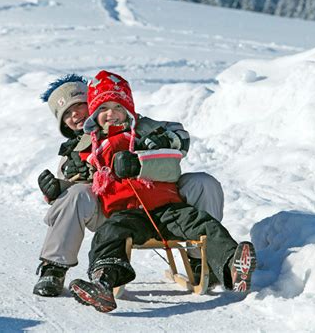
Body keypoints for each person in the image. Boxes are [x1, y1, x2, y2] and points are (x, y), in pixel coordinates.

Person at [68, 70, 256, 313]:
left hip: (168, 207)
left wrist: (147, 154)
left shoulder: (148, 133)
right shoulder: (90, 147)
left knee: (204, 224)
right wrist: (61, 181)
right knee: (110, 233)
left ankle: (231, 266)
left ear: (129, 109)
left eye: (118, 106)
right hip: (127, 213)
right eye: (103, 109)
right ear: (94, 115)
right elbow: (74, 177)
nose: (111, 114)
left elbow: (175, 150)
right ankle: (104, 281)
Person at [34, 74, 225, 297]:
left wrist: (153, 146)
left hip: (165, 205)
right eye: (66, 113)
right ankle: (54, 268)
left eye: (78, 106)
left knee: (203, 182)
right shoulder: (72, 154)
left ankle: (203, 259)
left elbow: (180, 138)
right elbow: (70, 201)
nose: (74, 115)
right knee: (76, 193)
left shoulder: (142, 126)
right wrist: (56, 189)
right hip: (112, 214)